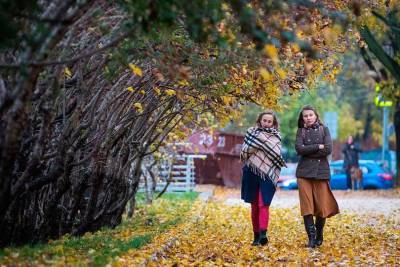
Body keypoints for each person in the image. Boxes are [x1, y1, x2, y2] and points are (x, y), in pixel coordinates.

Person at [295, 105, 339, 248]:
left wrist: (310, 151)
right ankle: (311, 238)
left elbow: (328, 149)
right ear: (302, 118)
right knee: (306, 206)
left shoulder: (324, 129)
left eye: (310, 115)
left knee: (322, 207)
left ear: (316, 116)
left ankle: (319, 232)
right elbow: (299, 149)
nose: (308, 118)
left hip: (321, 172)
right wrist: (317, 147)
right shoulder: (300, 131)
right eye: (305, 116)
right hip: (303, 173)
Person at [240, 110, 286, 246]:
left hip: (268, 174)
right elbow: (244, 151)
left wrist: (261, 144)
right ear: (260, 120)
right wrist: (260, 143)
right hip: (251, 171)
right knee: (254, 206)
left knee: (263, 204)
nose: (266, 123)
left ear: (273, 123)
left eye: (269, 121)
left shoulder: (276, 137)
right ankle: (255, 236)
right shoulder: (251, 133)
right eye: (264, 120)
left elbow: (276, 155)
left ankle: (263, 235)